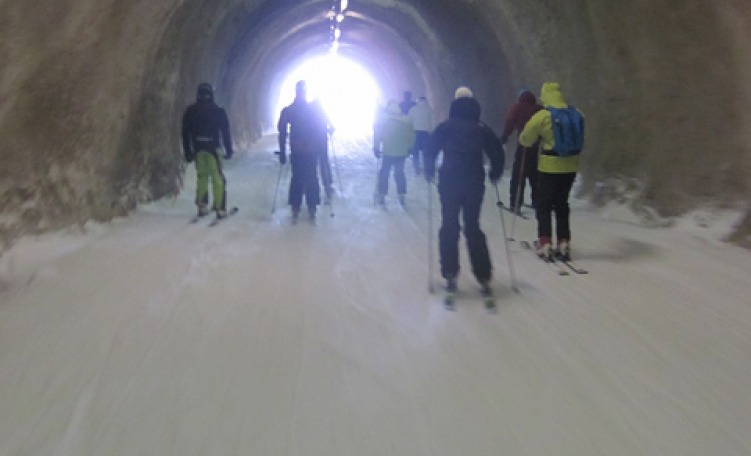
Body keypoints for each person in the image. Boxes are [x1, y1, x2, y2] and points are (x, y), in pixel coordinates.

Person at [424, 86, 504, 293]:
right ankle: (483, 274)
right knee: (472, 226)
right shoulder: (481, 128)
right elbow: (497, 152)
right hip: (473, 182)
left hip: (449, 181)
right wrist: (495, 172)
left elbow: (430, 149)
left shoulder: (445, 127)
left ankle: (450, 273)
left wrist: (429, 169)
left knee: (449, 225)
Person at [518, 82, 585, 261]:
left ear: (545, 95)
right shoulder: (576, 113)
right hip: (571, 166)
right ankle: (564, 242)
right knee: (562, 204)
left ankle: (545, 242)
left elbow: (525, 138)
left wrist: (527, 140)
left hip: (549, 167)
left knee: (544, 204)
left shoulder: (543, 115)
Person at [277, 80, 328, 223]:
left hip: (297, 149)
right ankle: (312, 206)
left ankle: (295, 206)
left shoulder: (289, 110)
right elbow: (320, 129)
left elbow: (282, 131)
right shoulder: (312, 110)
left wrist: (282, 151)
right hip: (311, 150)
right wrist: (322, 150)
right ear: (305, 92)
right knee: (312, 177)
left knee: (297, 177)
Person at [181, 82, 234, 219]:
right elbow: (225, 132)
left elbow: (185, 133)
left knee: (202, 176)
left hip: (198, 148)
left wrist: (188, 151)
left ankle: (202, 205)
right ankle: (220, 207)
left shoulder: (191, 111)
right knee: (217, 177)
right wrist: (228, 149)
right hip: (213, 148)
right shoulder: (218, 111)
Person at [499, 89, 542, 212]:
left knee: (519, 173)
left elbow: (510, 122)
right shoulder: (539, 109)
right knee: (534, 174)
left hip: (523, 144)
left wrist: (504, 138)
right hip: (535, 145)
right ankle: (537, 200)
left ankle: (515, 202)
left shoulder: (517, 107)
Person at [373, 100, 415, 205]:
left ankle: (382, 195)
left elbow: (378, 134)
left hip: (388, 152)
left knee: (384, 173)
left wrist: (376, 147)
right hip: (401, 152)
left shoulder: (384, 119)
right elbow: (411, 135)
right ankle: (401, 195)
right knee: (399, 173)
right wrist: (409, 148)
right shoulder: (407, 120)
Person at [407, 96, 434, 175]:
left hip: (415, 133)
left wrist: (409, 132)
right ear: (425, 101)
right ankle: (426, 169)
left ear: (417, 101)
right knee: (426, 152)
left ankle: (416, 169)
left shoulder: (412, 109)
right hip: (425, 133)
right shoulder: (429, 110)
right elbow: (433, 122)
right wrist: (431, 131)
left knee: (415, 152)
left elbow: (409, 121)